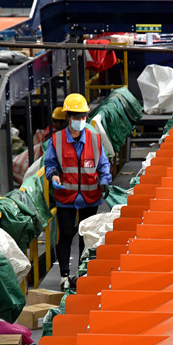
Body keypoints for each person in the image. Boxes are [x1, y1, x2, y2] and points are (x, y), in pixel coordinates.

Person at [43, 93, 111, 290]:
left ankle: (82, 273)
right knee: (65, 235)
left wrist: (105, 181)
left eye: (83, 117)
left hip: (90, 196)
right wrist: (53, 176)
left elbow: (103, 166)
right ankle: (64, 275)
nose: (81, 121)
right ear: (68, 117)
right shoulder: (56, 141)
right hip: (66, 196)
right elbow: (50, 165)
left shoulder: (95, 140)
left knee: (85, 235)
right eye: (76, 117)